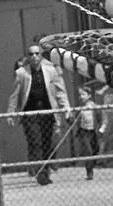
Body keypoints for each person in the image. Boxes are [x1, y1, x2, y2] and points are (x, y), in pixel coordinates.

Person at [5, 41, 67, 185]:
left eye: (37, 54)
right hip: (30, 114)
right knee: (35, 142)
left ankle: (45, 173)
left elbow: (60, 91)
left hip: (47, 112)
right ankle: (40, 174)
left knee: (47, 144)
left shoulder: (51, 70)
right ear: (28, 56)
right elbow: (14, 95)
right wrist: (10, 112)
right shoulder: (21, 73)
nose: (34, 57)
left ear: (41, 56)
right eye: (31, 54)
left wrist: (66, 108)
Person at [68, 79, 105, 181]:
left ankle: (94, 163)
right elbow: (75, 120)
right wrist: (71, 118)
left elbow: (102, 119)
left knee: (95, 150)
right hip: (84, 132)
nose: (81, 97)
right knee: (87, 151)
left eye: (83, 94)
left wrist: (102, 128)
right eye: (80, 95)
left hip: (93, 131)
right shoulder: (80, 108)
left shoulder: (94, 106)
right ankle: (89, 172)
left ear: (89, 95)